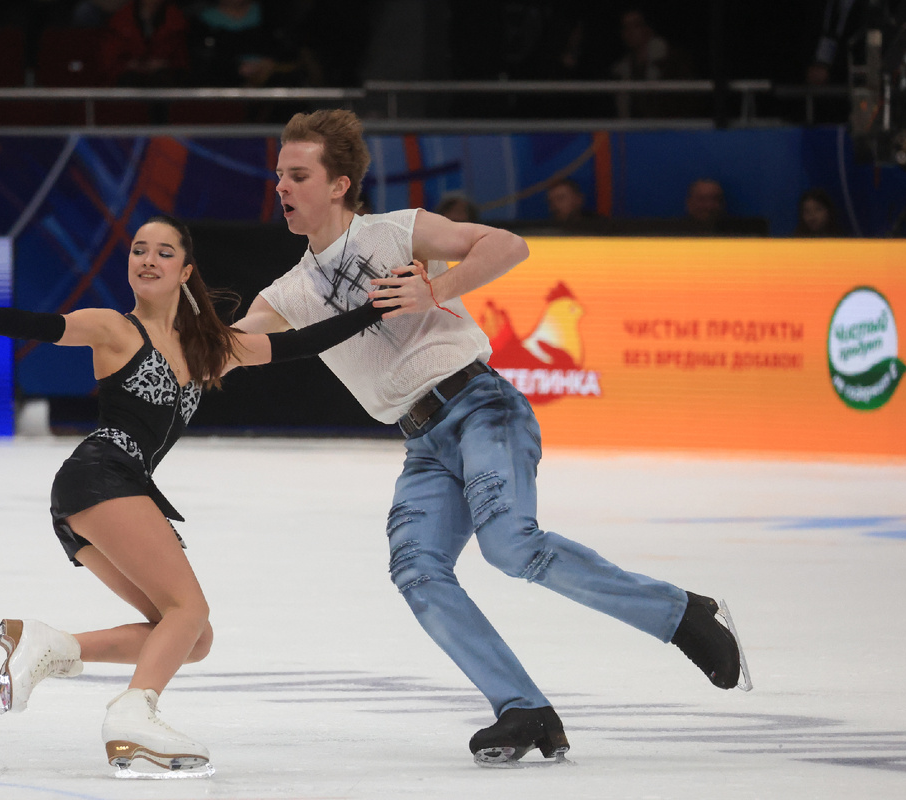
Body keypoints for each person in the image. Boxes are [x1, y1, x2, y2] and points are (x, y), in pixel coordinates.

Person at [233, 109, 752, 767]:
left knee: (511, 546)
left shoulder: (398, 232)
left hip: (480, 407)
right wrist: (158, 333)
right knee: (417, 569)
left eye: (297, 175)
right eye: (279, 175)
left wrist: (437, 289)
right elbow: (229, 348)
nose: (282, 186)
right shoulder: (290, 293)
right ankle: (522, 707)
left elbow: (508, 245)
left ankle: (680, 615)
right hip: (422, 442)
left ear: (338, 185)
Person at [0, 215, 404, 777]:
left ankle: (43, 642)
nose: (148, 260)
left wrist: (380, 308)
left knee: (192, 636)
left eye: (163, 252)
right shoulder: (112, 327)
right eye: (139, 250)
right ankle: (134, 716)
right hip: (100, 476)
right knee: (190, 610)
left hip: (108, 490)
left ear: (186, 271)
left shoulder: (211, 349)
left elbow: (299, 344)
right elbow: (35, 324)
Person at [99, 0, 189, 87]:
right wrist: (128, 64)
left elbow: (181, 60)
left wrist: (164, 64)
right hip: (128, 76)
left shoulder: (175, 19)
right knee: (128, 80)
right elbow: (111, 58)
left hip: (164, 77)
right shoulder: (121, 19)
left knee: (161, 80)